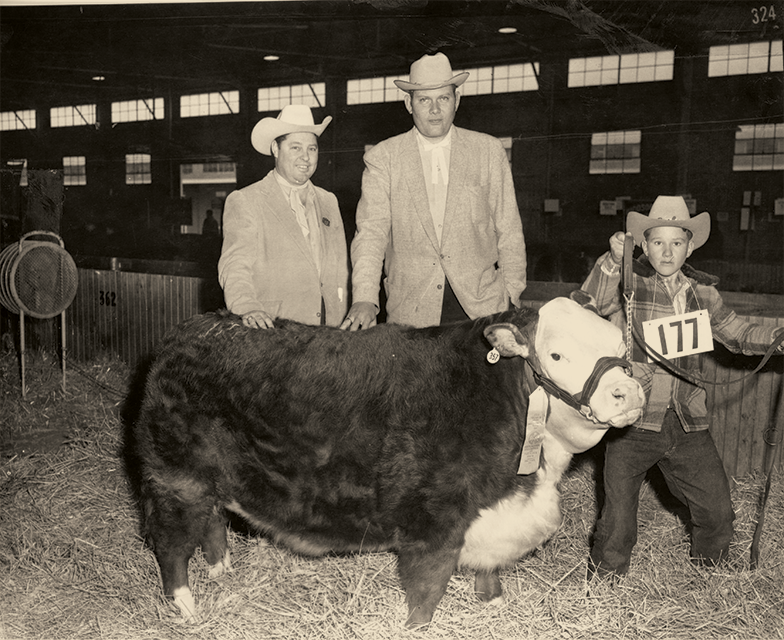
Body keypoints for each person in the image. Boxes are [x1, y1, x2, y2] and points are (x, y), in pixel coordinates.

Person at [575, 195, 784, 578]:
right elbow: (589, 302)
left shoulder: (703, 293)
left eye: (676, 242)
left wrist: (777, 337)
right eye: (657, 242)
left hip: (688, 420)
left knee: (717, 510)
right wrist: (610, 261)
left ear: (690, 245)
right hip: (633, 423)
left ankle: (711, 574)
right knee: (618, 519)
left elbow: (736, 332)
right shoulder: (630, 284)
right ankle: (604, 586)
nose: (667, 251)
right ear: (644, 245)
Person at [341, 52, 526, 330]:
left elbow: (509, 228)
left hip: (482, 307)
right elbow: (371, 234)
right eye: (424, 100)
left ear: (457, 100)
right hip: (411, 310)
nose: (435, 110)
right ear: (409, 103)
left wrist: (512, 292)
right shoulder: (383, 158)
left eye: (444, 98)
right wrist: (366, 298)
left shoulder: (488, 151)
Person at [218, 105, 349, 328]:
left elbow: (340, 270)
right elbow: (234, 266)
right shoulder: (246, 200)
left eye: (312, 149)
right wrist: (248, 307)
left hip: (330, 332)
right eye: (295, 148)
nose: (305, 158)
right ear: (276, 149)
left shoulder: (329, 201)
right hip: (275, 332)